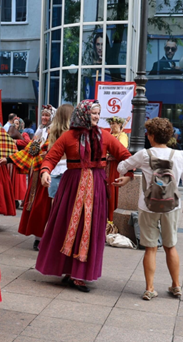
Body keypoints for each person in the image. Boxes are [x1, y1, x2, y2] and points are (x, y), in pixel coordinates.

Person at [37, 100, 133, 292]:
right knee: (67, 226)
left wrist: (129, 176)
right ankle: (67, 270)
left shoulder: (105, 136)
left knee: (89, 228)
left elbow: (125, 155)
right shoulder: (68, 136)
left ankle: (79, 274)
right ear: (83, 114)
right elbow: (50, 157)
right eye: (93, 113)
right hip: (71, 187)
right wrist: (45, 172)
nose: (97, 117)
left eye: (98, 113)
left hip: (96, 187)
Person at [115, 118, 183, 300]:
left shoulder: (144, 154)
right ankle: (176, 286)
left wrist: (131, 175)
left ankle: (150, 288)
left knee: (150, 248)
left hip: (148, 206)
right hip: (172, 206)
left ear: (151, 136)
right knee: (170, 246)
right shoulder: (179, 155)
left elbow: (122, 167)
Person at [0, 105, 56, 251]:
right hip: (37, 173)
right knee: (36, 206)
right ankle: (38, 237)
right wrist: (9, 159)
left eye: (47, 116)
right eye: (43, 115)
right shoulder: (39, 132)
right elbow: (29, 150)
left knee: (45, 206)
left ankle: (47, 237)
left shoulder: (56, 133)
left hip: (49, 174)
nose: (44, 118)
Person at [105, 116, 130, 226]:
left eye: (115, 123)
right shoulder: (109, 135)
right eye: (111, 123)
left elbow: (121, 149)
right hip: (106, 165)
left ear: (120, 125)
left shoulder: (122, 136)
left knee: (111, 188)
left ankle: (111, 218)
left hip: (114, 166)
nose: (112, 125)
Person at [46, 104, 74, 200]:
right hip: (67, 170)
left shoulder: (53, 132)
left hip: (54, 170)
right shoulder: (70, 134)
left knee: (54, 203)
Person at [8, 117, 29, 207]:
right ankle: (13, 199)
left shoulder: (24, 134)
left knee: (18, 179)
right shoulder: (10, 133)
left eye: (17, 123)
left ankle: (19, 198)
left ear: (20, 125)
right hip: (12, 158)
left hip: (20, 159)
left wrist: (16, 141)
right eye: (14, 123)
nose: (14, 125)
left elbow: (28, 143)